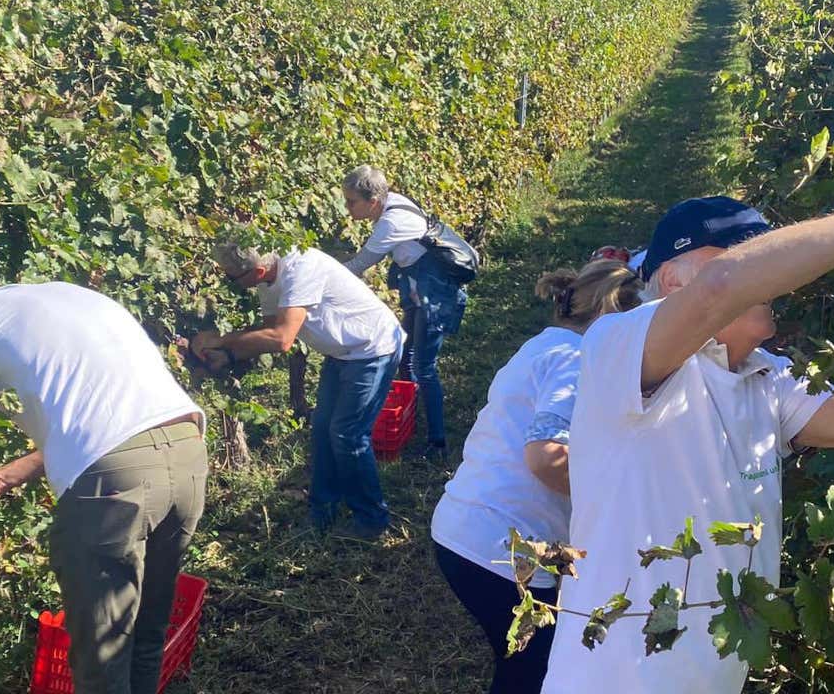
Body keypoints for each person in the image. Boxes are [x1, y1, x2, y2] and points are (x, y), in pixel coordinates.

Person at [541, 196, 834, 694]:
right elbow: (721, 287)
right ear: (671, 282)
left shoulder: (767, 377)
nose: (766, 273)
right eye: (737, 251)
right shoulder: (618, 348)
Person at [0, 278, 207, 694]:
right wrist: (2, 478)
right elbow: (106, 427)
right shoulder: (65, 295)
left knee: (103, 661)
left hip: (114, 485)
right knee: (146, 634)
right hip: (188, 449)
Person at [430, 259, 642, 694]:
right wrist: (610, 502)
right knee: (535, 669)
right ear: (616, 323)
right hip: (497, 547)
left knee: (526, 660)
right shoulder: (576, 360)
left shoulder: (543, 345)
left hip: (466, 526)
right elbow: (547, 456)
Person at [191, 242, 403, 538]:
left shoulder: (301, 267)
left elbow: (281, 338)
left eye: (232, 278)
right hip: (344, 352)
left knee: (347, 434)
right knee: (322, 429)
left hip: (372, 347)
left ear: (258, 270)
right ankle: (323, 511)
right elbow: (265, 331)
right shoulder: (268, 278)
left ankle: (371, 521)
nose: (231, 284)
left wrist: (221, 339)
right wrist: (228, 356)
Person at [342, 165, 468, 459]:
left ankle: (437, 443)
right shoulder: (393, 201)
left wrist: (319, 273)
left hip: (434, 293)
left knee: (424, 365)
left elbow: (359, 266)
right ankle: (408, 419)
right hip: (418, 288)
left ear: (372, 201)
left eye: (351, 202)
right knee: (407, 355)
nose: (347, 209)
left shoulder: (390, 223)